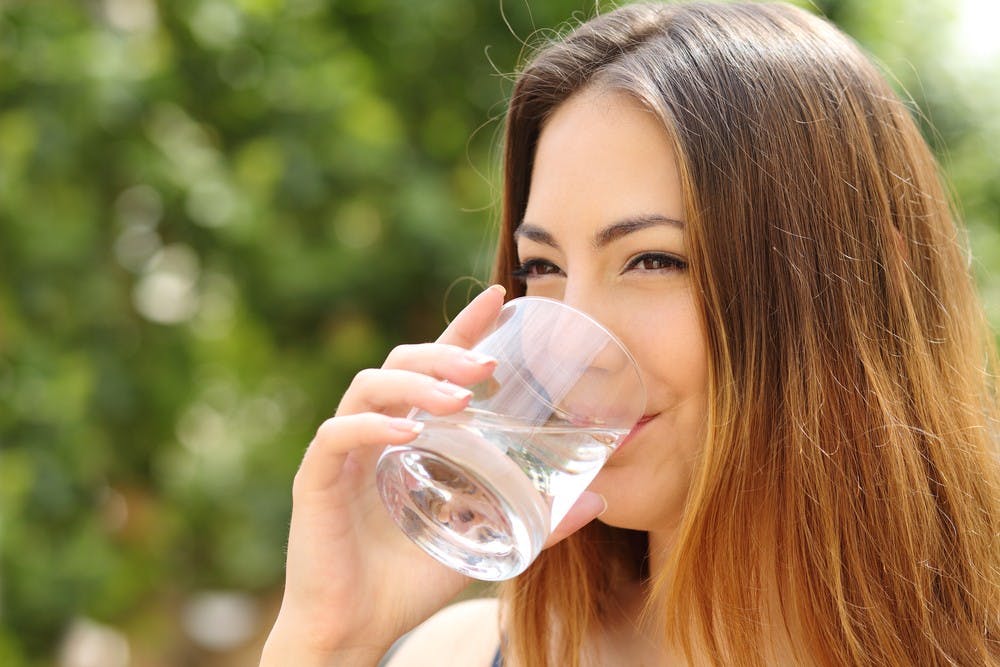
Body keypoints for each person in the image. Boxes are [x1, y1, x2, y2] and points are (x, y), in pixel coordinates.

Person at [259, 2, 1000, 665]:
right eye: (542, 267)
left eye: (652, 259)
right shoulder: (459, 654)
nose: (560, 354)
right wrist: (330, 641)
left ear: (866, 280)